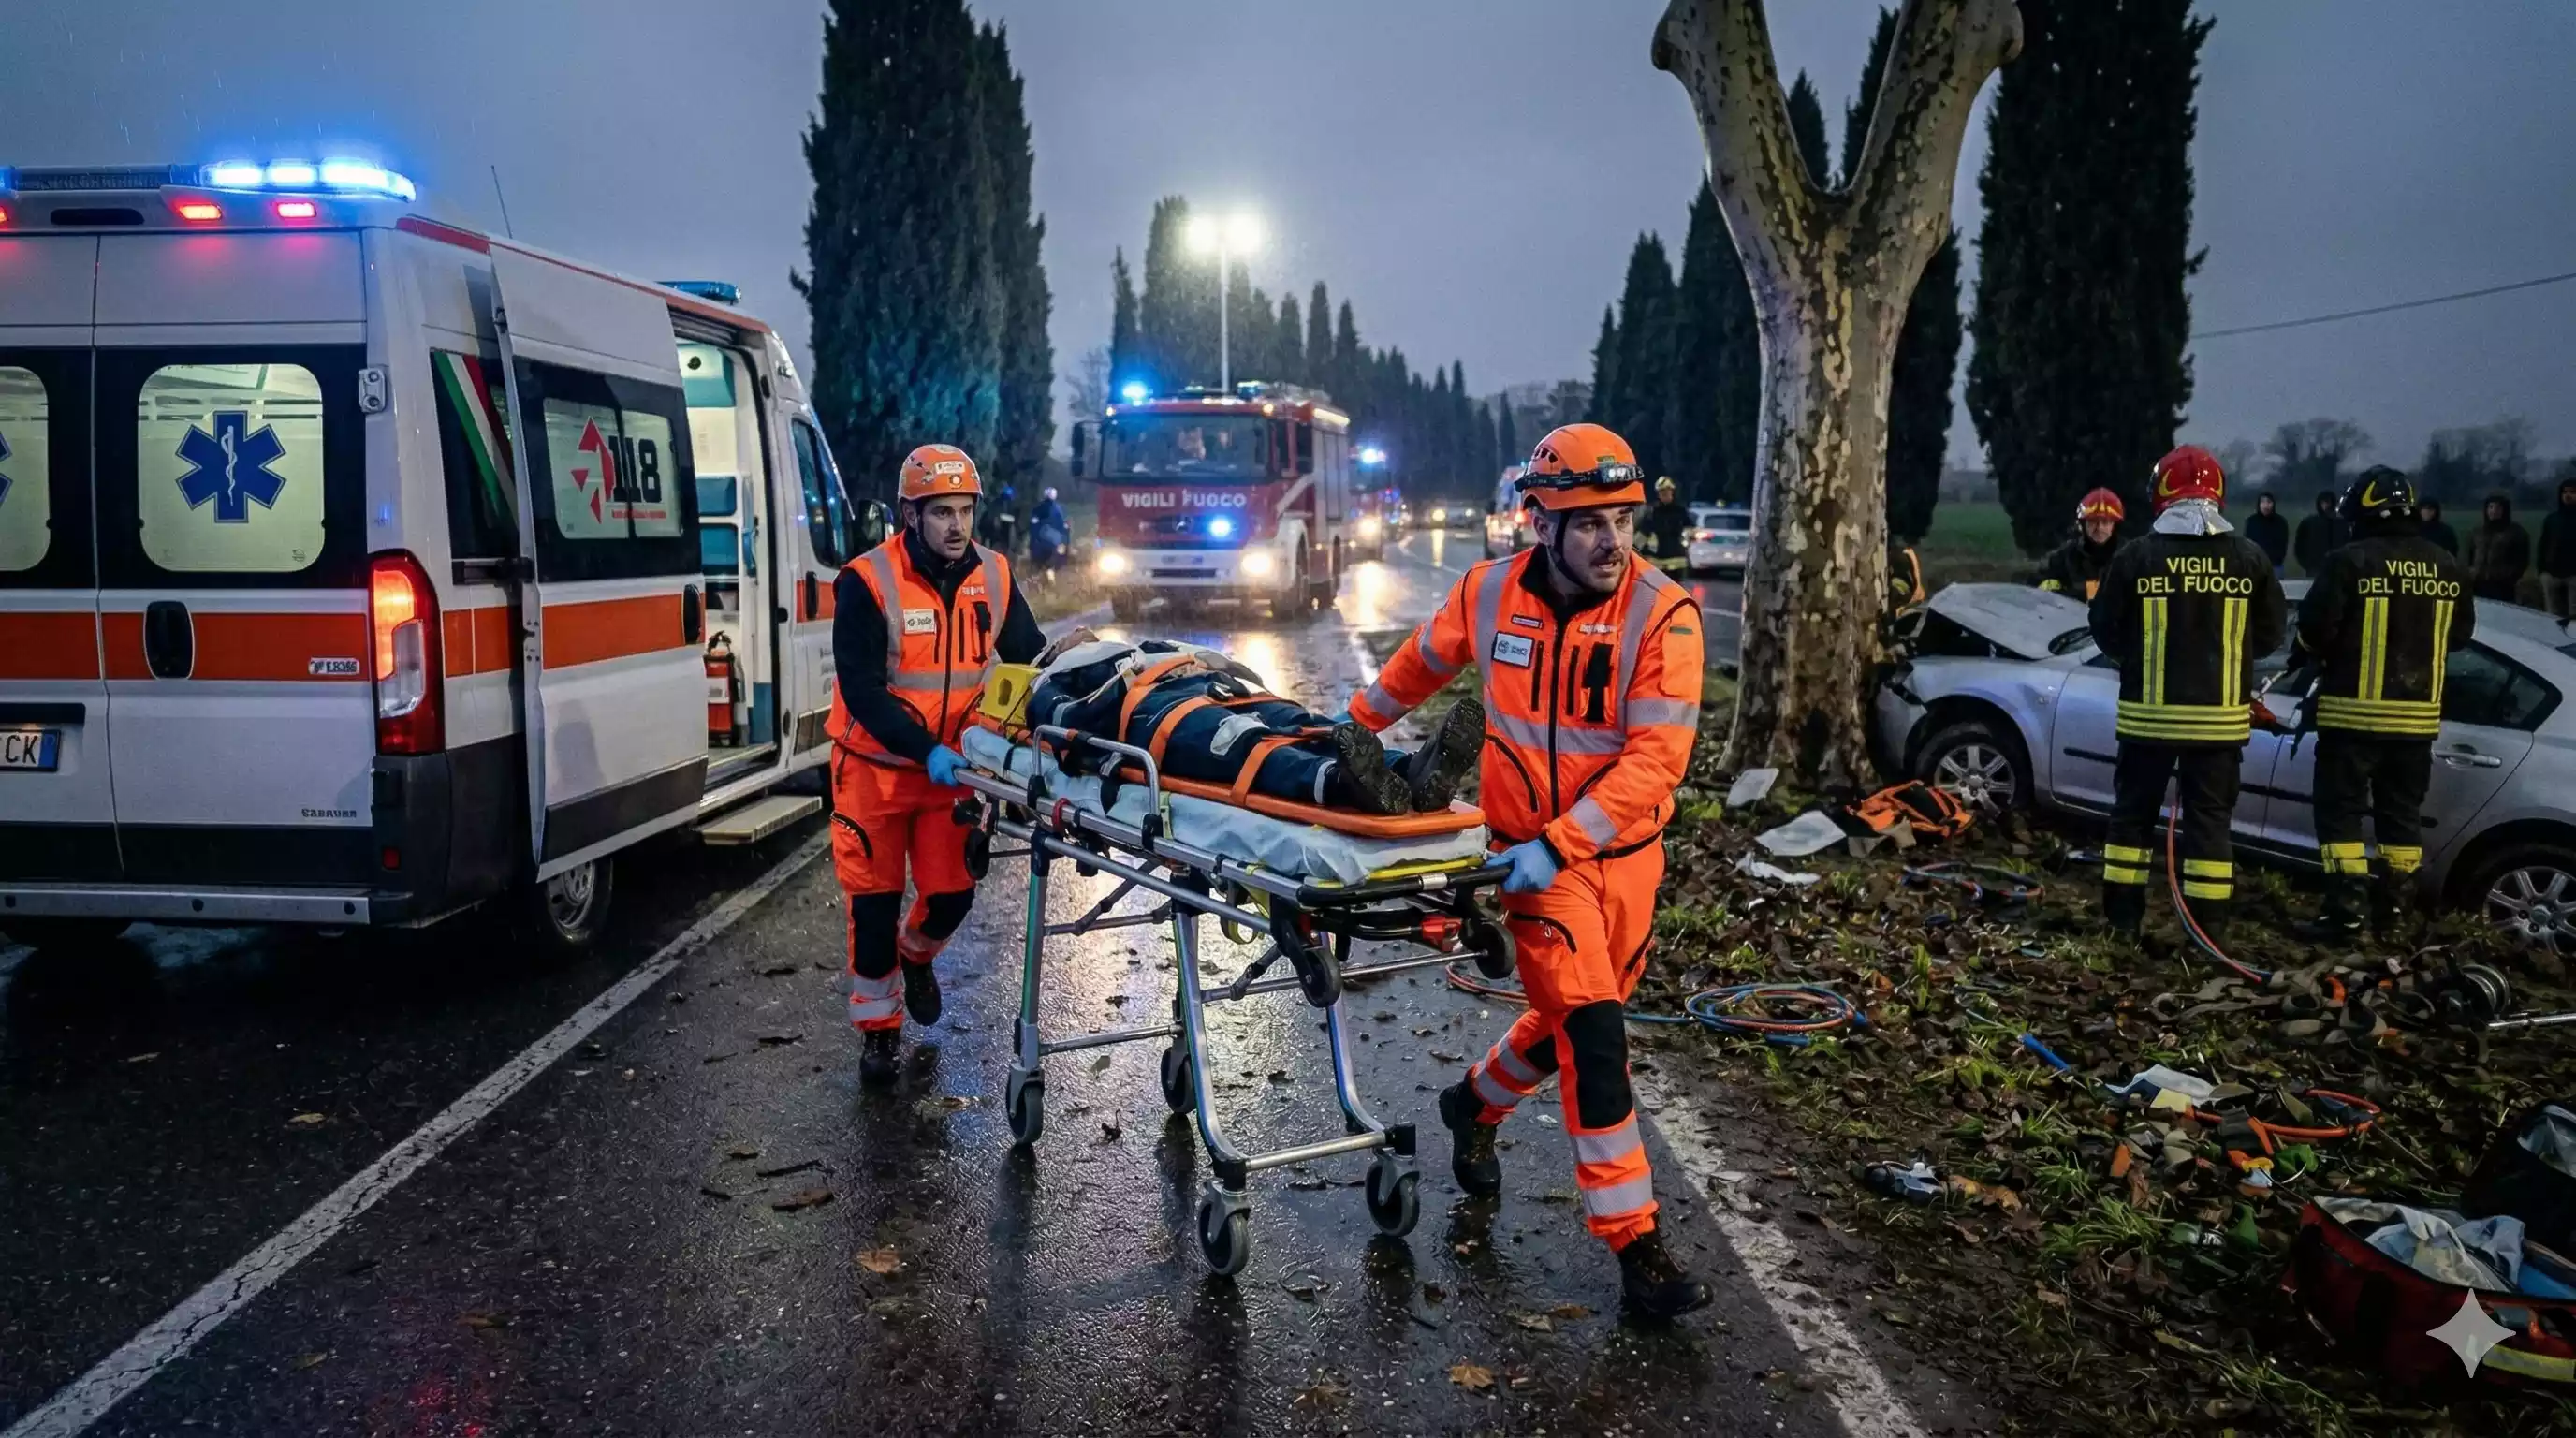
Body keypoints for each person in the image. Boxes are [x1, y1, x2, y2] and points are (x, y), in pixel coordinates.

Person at [1345, 422, 1711, 1319]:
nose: (1610, 540)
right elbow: (1419, 665)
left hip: (1622, 856)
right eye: (1588, 522)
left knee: (1566, 1021)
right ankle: (1638, 1251)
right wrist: (1348, 731)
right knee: (1595, 1040)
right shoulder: (1488, 594)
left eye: (1621, 519)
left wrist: (1569, 837)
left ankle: (1472, 1105)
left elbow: (1657, 760)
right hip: (1533, 864)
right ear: (1539, 522)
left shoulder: (1664, 616)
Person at [827, 444, 1046, 1084]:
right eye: (941, 512)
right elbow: (863, 691)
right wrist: (928, 751)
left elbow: (1030, 664)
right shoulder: (867, 582)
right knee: (873, 910)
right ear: (910, 515)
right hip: (874, 772)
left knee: (950, 897)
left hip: (953, 777)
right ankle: (878, 1032)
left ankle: (917, 955)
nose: (956, 526)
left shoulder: (996, 577)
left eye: (965, 511)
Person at [2086, 445, 2287, 947]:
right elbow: (2269, 636)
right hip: (2218, 727)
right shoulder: (2249, 558)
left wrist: (2140, 659)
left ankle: (2122, 925)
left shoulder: (2135, 556)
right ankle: (2206, 935)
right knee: (2209, 828)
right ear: (2217, 493)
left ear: (2161, 494)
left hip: (2147, 722)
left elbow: (2105, 629)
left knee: (2131, 820)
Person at [2291, 467, 2472, 938]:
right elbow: (2461, 636)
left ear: (2363, 515)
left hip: (2351, 720)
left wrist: (2311, 652)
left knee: (2341, 815)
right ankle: (2392, 918)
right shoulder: (2447, 564)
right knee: (2401, 820)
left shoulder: (2347, 561)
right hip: (2416, 725)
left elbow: (2314, 631)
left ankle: (2344, 916)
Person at [1023, 632, 1483, 814]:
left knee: (1305, 723)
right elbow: (1065, 723)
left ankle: (1410, 771)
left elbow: (1203, 656)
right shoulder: (1055, 677)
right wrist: (1111, 706)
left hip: (1209, 686)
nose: (1078, 635)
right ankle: (1342, 785)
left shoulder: (1142, 645)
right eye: (1067, 640)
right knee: (1241, 743)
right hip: (1146, 714)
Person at [2037, 489, 2127, 600]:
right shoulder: (2064, 557)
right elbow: (2038, 589)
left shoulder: (2130, 556)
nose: (2099, 528)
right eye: (2093, 521)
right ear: (2083, 524)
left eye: (2106, 522)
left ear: (2114, 525)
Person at [2465, 493, 2529, 604]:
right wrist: (2472, 573)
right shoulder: (2477, 532)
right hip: (2478, 583)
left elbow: (2521, 560)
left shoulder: (2516, 532)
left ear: (2505, 510)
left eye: (2498, 508)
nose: (2494, 511)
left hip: (2503, 586)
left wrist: (2509, 578)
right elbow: (2470, 555)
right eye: (2490, 507)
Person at [2539, 477, 2576, 620]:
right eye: (2565, 492)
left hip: (2574, 575)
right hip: (2551, 574)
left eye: (2573, 492)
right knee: (2552, 616)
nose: (2568, 495)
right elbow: (2543, 544)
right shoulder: (2552, 519)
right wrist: (2542, 571)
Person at [2292, 491, 2345, 578]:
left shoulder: (2341, 524)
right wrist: (2307, 564)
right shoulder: (2309, 523)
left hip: (2337, 569)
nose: (2326, 505)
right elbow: (2299, 545)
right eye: (2323, 503)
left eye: (2328, 502)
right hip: (2314, 569)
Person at [1645, 476, 1689, 570]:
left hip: (1677, 557)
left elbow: (1689, 527)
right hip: (1656, 557)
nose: (1665, 495)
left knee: (1677, 584)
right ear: (1658, 494)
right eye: (1662, 493)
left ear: (1672, 492)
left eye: (1667, 492)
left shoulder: (1680, 510)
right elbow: (1643, 533)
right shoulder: (1652, 512)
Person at [1030, 486, 1069, 582]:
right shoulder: (1058, 508)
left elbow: (1033, 523)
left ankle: (1041, 572)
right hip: (1052, 539)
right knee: (1056, 557)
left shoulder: (1039, 508)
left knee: (1039, 557)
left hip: (1042, 539)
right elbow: (1063, 525)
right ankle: (1048, 572)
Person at [2244, 492, 2290, 573]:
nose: (2266, 505)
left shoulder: (2280, 522)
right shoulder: (2252, 521)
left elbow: (2283, 543)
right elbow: (2247, 542)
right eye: (2263, 502)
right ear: (2259, 504)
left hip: (2275, 566)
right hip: (2256, 565)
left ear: (2273, 504)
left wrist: (2278, 559)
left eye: (2269, 502)